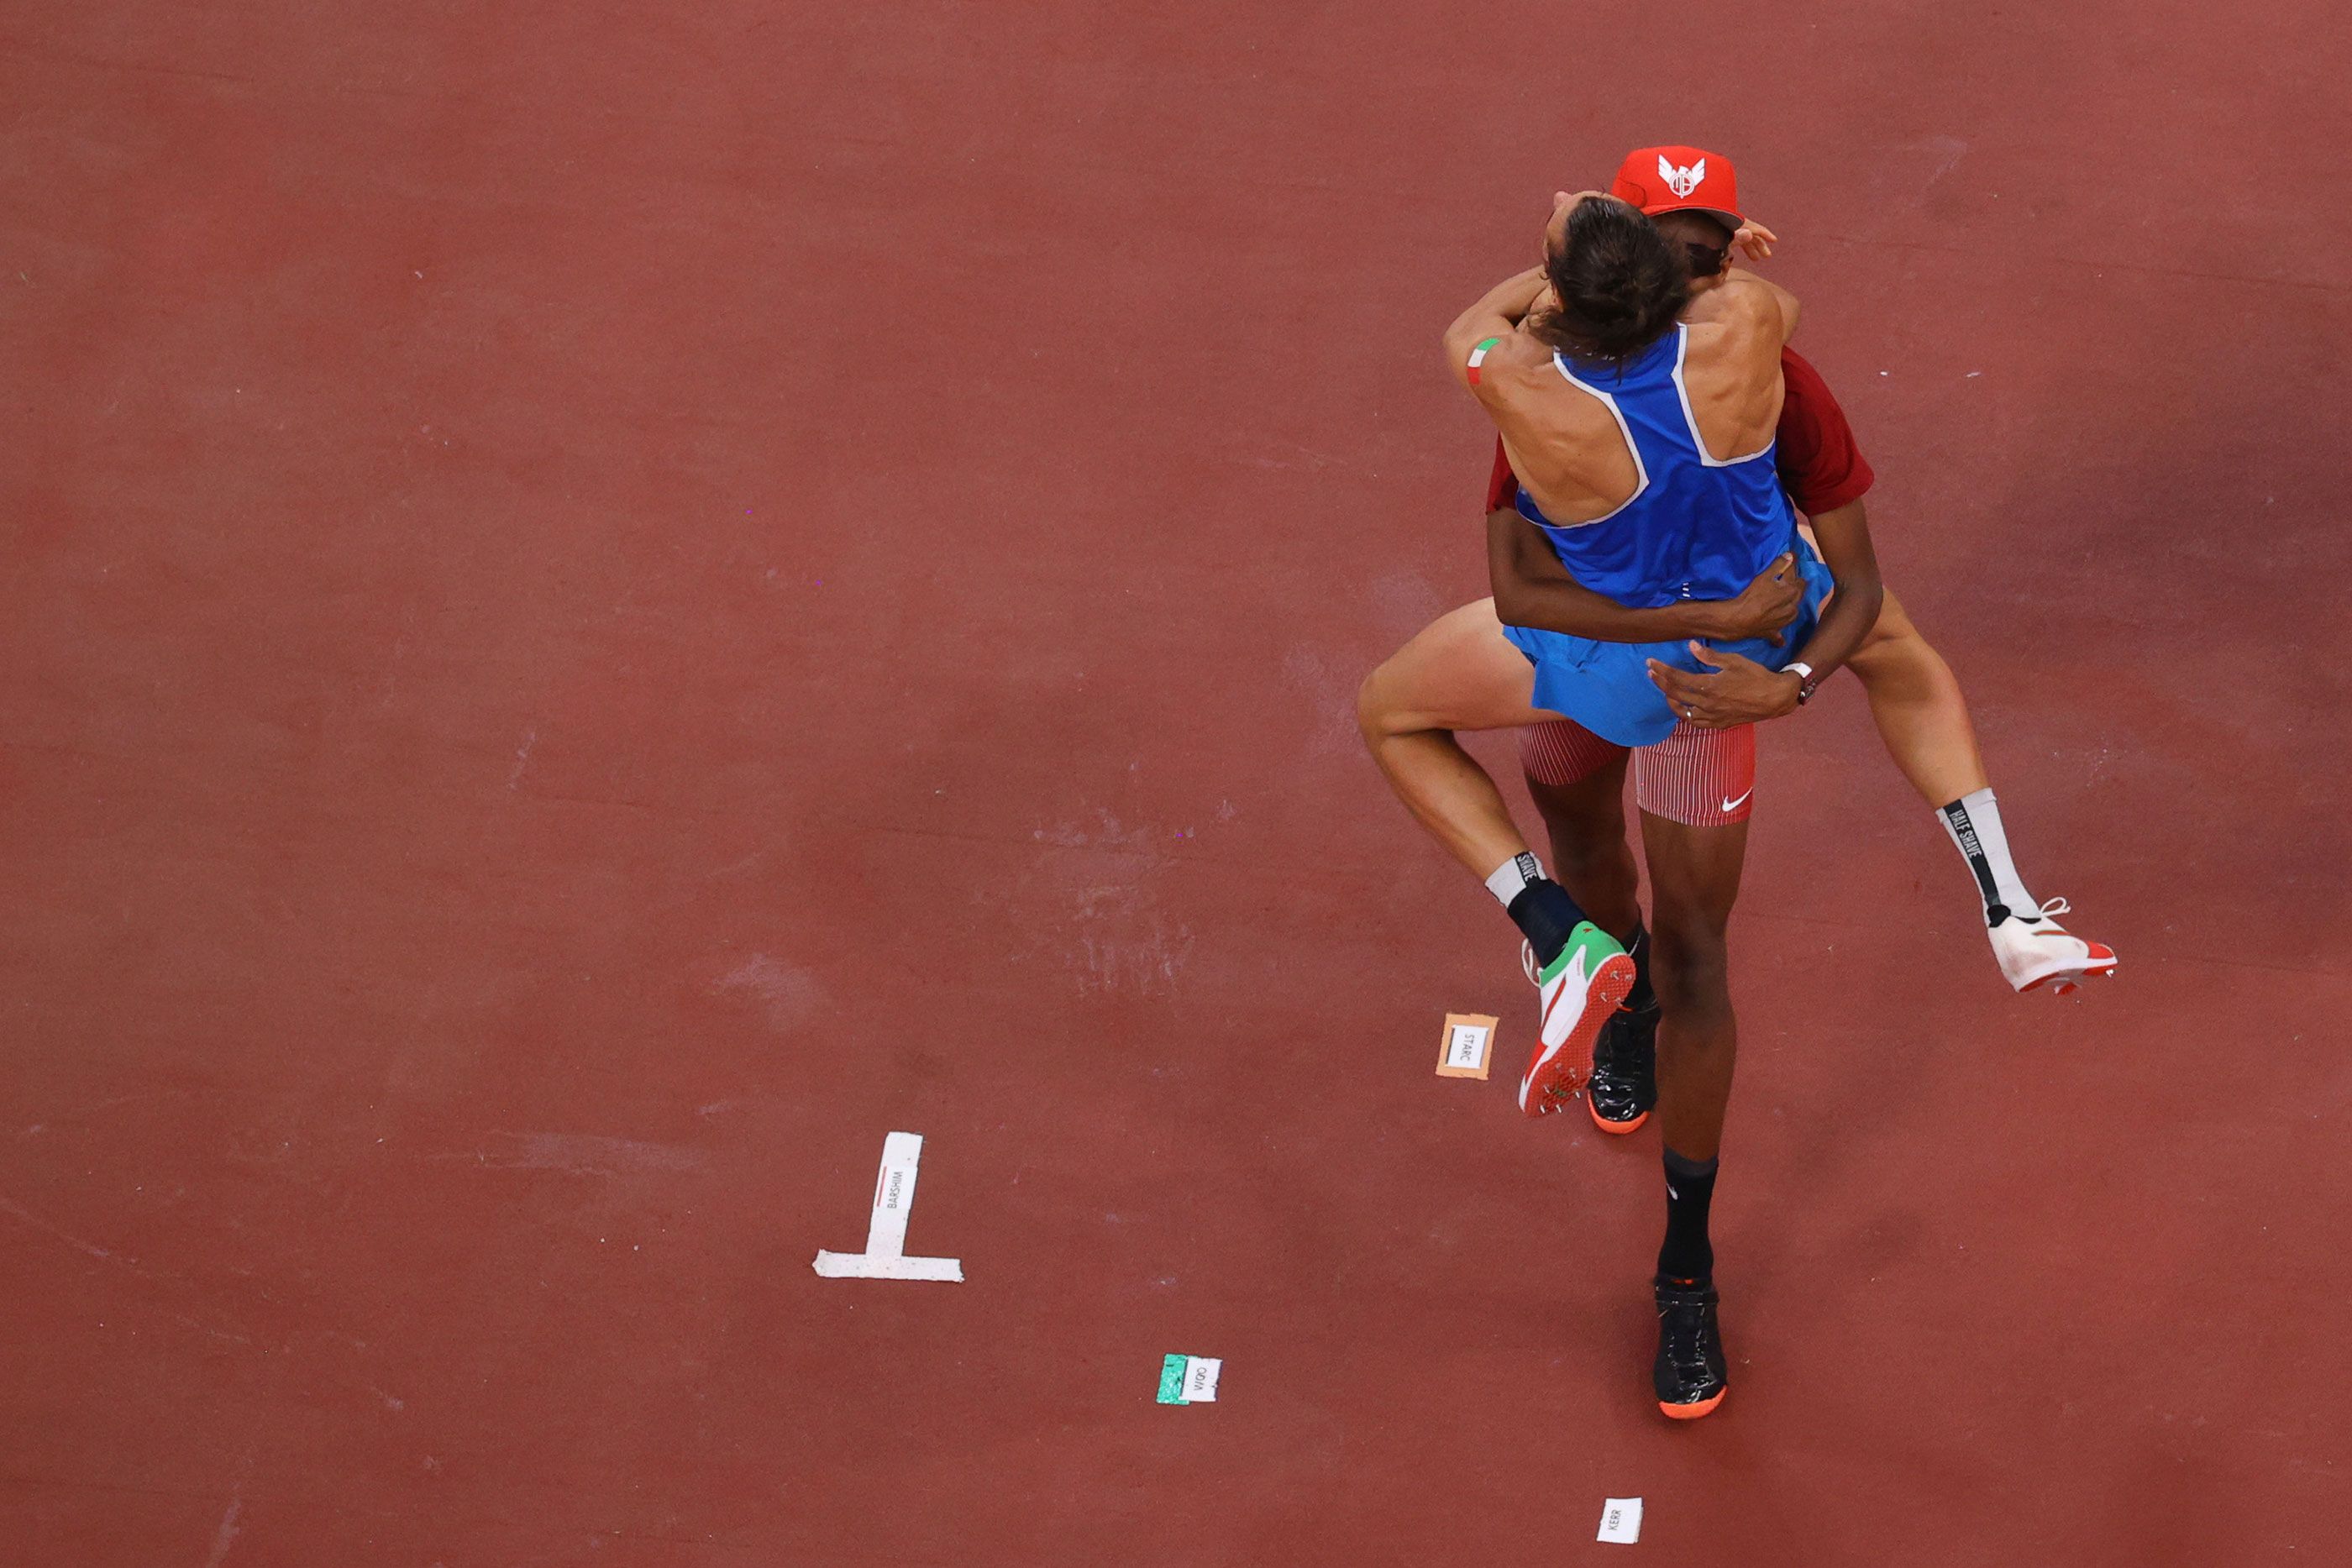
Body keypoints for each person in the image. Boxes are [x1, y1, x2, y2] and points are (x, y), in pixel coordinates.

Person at [1358, 172, 1861, 1418]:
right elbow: (1760, 287)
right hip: (1715, 674)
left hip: (1596, 661)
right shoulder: (1748, 327)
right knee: (1668, 937)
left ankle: (1552, 946)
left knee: (1392, 709)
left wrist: (1553, 260)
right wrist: (1692, 259)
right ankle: (1614, 1008)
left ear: (1561, 313)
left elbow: (1474, 319)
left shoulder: (1513, 378)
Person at [1488, 149, 2114, 1144]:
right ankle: (1999, 902)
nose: (1700, 247)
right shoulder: (1717, 336)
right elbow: (1848, 586)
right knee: (1577, 823)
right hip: (1671, 650)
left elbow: (1508, 545)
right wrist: (1787, 675)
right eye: (1681, 234)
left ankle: (2002, 903)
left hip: (1655, 667)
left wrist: (1780, 680)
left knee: (1689, 930)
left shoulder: (1543, 370)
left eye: (1706, 233)